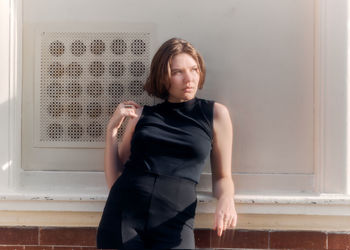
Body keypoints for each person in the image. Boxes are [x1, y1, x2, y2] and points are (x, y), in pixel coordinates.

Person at [97, 37, 237, 249]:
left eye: (194, 69)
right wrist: (111, 132)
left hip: (175, 222)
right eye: (177, 72)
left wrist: (227, 199)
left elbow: (223, 177)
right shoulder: (142, 115)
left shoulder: (215, 114)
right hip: (123, 217)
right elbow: (116, 179)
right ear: (163, 76)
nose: (189, 79)